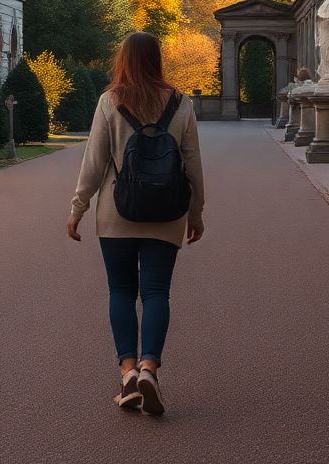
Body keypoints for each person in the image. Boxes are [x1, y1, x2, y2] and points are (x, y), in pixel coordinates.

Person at [67, 32, 205, 416]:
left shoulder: (110, 101)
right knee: (157, 293)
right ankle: (150, 366)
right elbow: (192, 164)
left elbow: (94, 162)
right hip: (167, 213)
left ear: (123, 60)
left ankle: (127, 372)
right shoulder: (181, 103)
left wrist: (78, 207)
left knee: (122, 291)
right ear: (156, 59)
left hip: (117, 211)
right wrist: (196, 212)